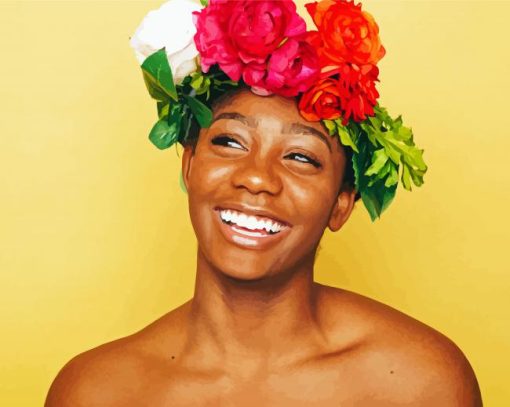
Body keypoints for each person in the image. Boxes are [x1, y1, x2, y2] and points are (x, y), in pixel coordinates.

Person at [46, 0, 482, 405]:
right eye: (230, 141)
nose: (257, 177)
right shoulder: (95, 390)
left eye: (300, 157)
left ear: (341, 204)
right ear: (189, 165)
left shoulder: (418, 381)